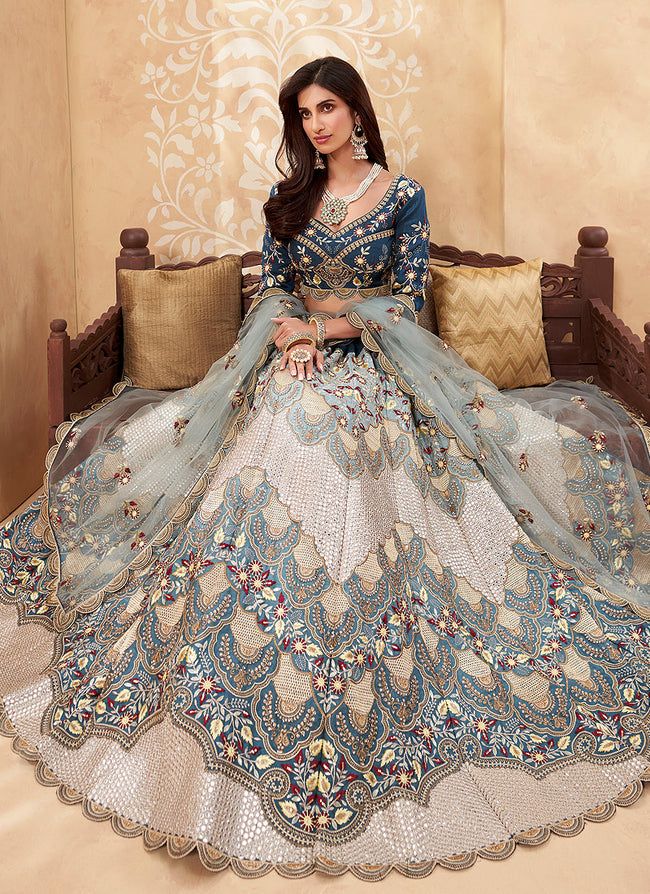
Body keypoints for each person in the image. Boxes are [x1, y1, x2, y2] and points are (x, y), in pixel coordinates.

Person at [1, 56, 649, 879]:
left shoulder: (403, 194)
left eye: (329, 107)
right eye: (304, 112)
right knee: (286, 422)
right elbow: (273, 290)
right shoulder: (289, 201)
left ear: (356, 111)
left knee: (357, 436)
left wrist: (325, 332)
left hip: (378, 363)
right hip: (290, 362)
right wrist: (289, 335)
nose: (317, 124)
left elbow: (409, 298)